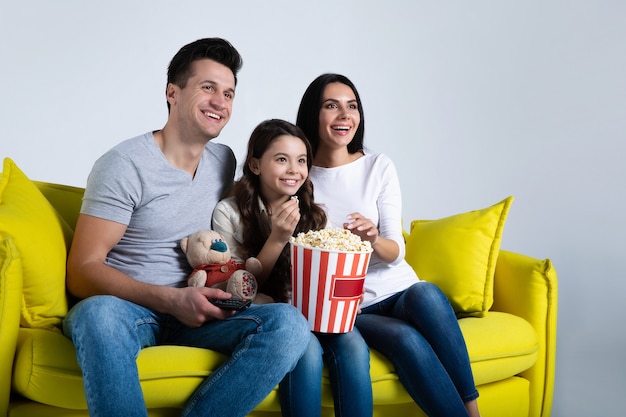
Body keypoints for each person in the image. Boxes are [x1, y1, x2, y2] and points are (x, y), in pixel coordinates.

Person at [63, 38, 310, 417]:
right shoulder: (124, 165)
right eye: (207, 88)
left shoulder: (222, 161)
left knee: (289, 324)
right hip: (127, 311)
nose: (220, 102)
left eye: (228, 93)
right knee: (97, 315)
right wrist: (171, 300)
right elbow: (81, 272)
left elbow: (265, 193)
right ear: (172, 93)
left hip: (200, 311)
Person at [295, 73, 482, 417]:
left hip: (397, 287)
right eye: (331, 106)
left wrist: (373, 239)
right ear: (312, 113)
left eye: (352, 107)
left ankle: (472, 411)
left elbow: (396, 251)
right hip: (352, 306)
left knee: (426, 293)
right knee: (407, 340)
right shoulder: (298, 176)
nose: (344, 116)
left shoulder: (378, 166)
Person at [212, 118, 373, 417]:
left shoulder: (315, 215)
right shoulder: (229, 213)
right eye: (281, 159)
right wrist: (278, 238)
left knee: (353, 344)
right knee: (308, 350)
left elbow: (333, 273)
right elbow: (238, 289)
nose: (293, 170)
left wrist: (348, 300)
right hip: (266, 315)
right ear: (256, 165)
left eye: (301, 161)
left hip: (313, 313)